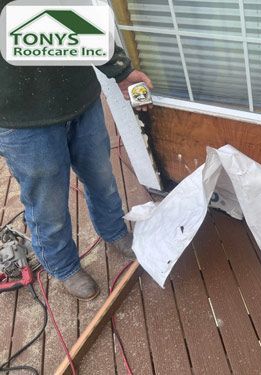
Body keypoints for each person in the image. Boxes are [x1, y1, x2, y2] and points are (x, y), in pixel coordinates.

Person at [0, 2, 153, 300]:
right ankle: (63, 265)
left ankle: (113, 231)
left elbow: (75, 14)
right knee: (48, 203)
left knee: (101, 176)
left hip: (81, 98)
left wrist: (119, 70)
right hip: (20, 116)